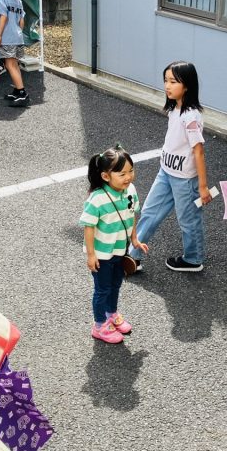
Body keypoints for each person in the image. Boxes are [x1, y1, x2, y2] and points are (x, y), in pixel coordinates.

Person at [128, 62, 211, 273]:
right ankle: (133, 254)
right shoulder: (175, 108)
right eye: (166, 80)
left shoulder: (190, 116)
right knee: (149, 211)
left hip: (185, 179)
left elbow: (198, 151)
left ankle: (193, 259)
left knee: (188, 220)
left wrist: (202, 186)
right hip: (166, 172)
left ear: (187, 85)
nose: (167, 86)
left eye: (173, 81)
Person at [80, 147, 147, 344]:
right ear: (105, 176)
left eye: (131, 171)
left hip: (120, 249)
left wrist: (134, 239)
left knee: (116, 284)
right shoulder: (97, 198)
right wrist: (91, 255)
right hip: (101, 253)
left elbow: (133, 213)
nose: (128, 177)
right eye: (122, 173)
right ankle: (99, 325)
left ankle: (112, 314)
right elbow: (88, 227)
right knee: (102, 289)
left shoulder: (131, 190)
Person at [0, 0, 28, 106]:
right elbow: (22, 21)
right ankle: (17, 90)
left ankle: (21, 93)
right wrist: (18, 32)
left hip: (7, 37)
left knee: (9, 64)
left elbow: (3, 17)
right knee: (14, 64)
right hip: (18, 37)